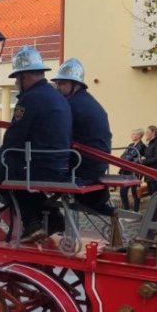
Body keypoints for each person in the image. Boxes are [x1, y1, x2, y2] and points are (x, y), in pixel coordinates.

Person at [0, 45, 72, 243]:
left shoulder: (30, 99)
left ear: (25, 76)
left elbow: (14, 138)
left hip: (36, 166)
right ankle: (49, 218)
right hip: (58, 164)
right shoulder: (56, 96)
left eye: (17, 79)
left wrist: (0, 156)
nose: (17, 84)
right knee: (6, 174)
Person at [51, 57, 114, 216]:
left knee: (34, 179)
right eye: (57, 83)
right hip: (96, 165)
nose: (58, 87)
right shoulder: (88, 101)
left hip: (82, 167)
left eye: (62, 84)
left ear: (76, 85)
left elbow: (58, 136)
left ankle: (43, 220)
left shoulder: (70, 105)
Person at [118, 129, 146, 211]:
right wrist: (128, 158)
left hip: (134, 172)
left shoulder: (142, 146)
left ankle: (136, 210)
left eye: (134, 134)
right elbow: (122, 156)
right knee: (123, 191)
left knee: (135, 191)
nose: (131, 135)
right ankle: (126, 209)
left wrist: (128, 158)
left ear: (139, 136)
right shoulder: (130, 145)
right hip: (125, 170)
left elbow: (136, 159)